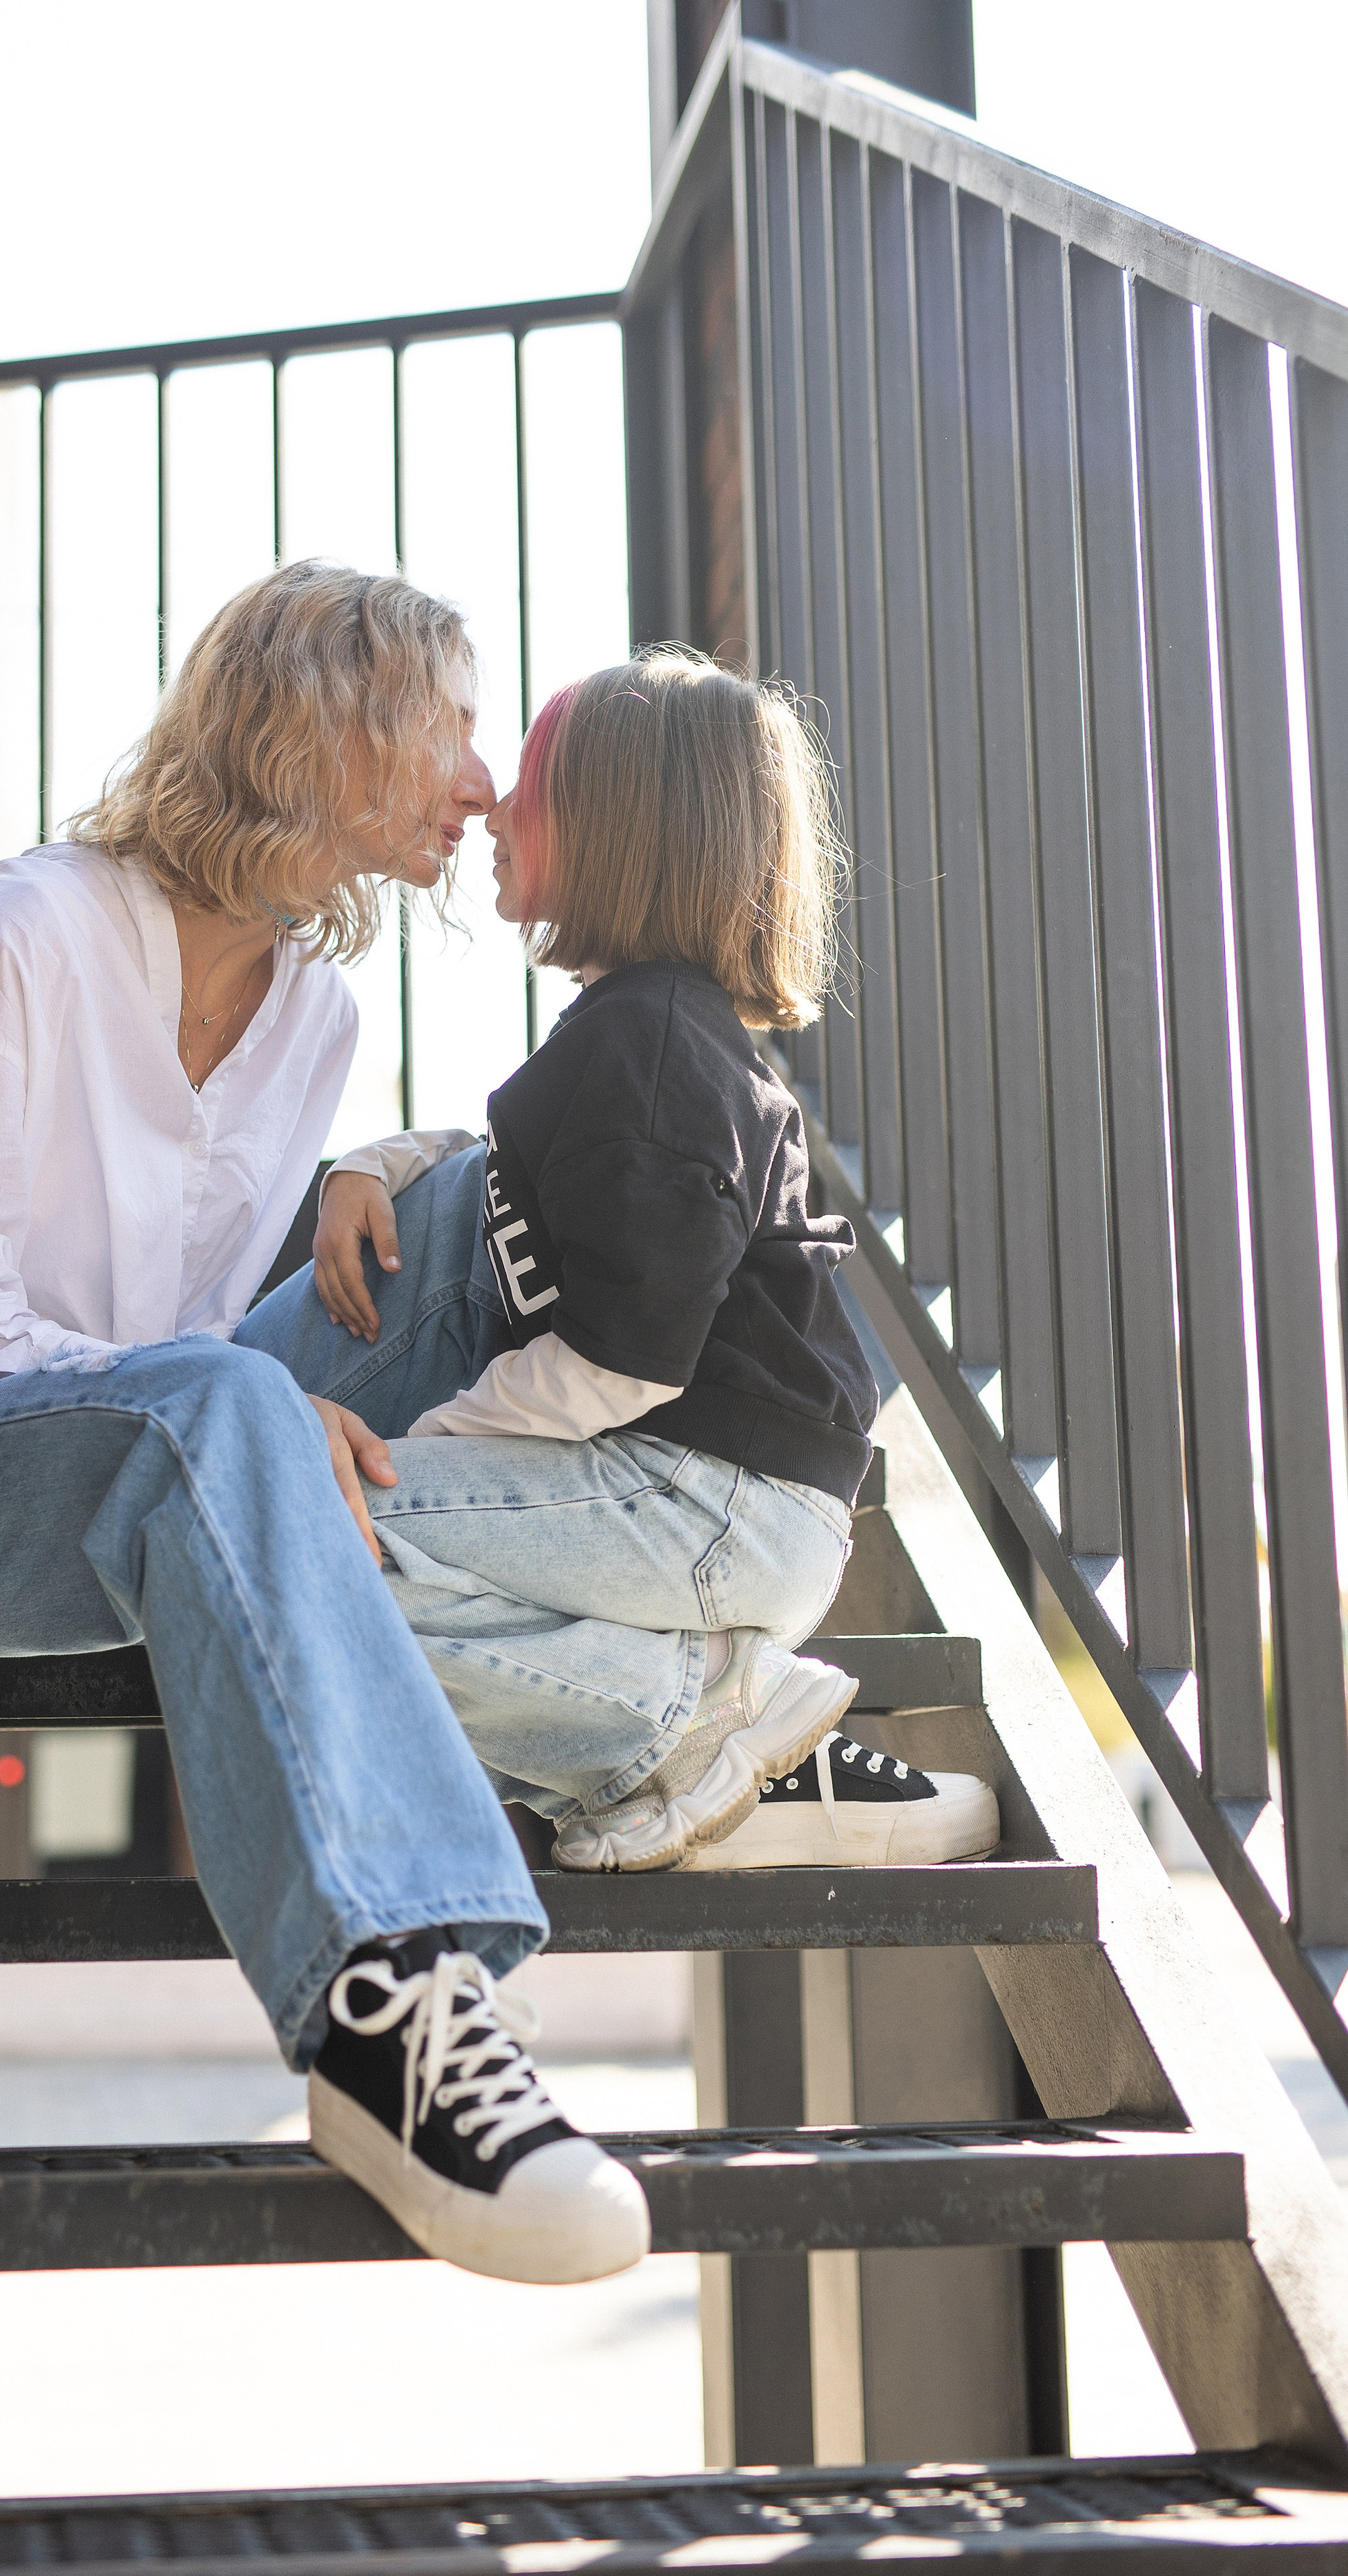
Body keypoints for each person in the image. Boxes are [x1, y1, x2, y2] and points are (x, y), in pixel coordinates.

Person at [0, 563, 651, 2289]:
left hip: (143, 1448)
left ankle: (706, 1676)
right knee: (219, 1403)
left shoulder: (314, 1014)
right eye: (450, 729)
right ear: (327, 733)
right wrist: (244, 1398)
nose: (482, 782)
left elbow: (189, 1311)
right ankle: (393, 2006)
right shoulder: (16, 947)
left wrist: (362, 1174)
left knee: (457, 1221)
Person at [240, 650, 1000, 1872]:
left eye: (532, 784)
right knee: (297, 1532)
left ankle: (688, 1723)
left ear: (620, 831)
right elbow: (510, 1170)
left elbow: (625, 1360)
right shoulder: (640, 1033)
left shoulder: (647, 1047)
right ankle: (703, 1725)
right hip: (712, 1493)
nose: (494, 808)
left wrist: (434, 1444)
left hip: (716, 1495)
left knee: (292, 1534)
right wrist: (373, 1164)